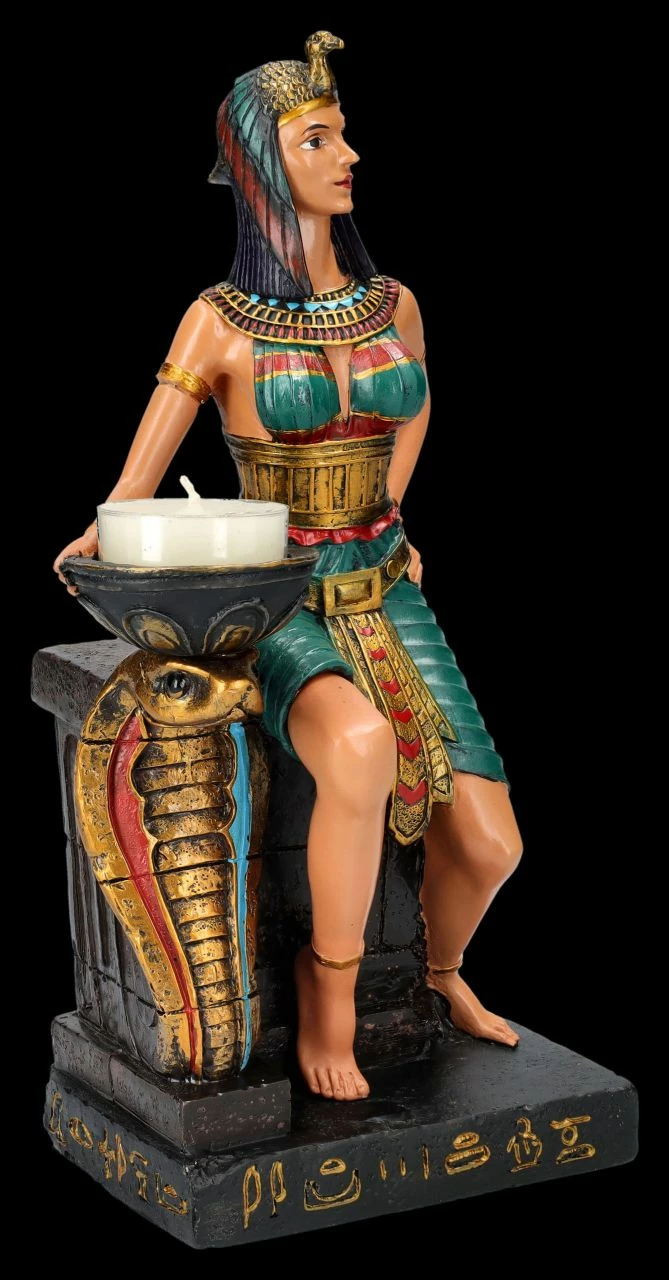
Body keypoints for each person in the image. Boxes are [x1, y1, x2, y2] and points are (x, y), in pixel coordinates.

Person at [54, 31, 523, 1103]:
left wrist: (392, 505)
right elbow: (143, 465)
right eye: (319, 138)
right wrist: (104, 527)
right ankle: (328, 996)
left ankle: (440, 972)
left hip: (383, 580)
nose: (348, 154)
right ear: (263, 163)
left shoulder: (391, 302)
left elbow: (418, 399)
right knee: (356, 747)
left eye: (343, 132)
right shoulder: (218, 322)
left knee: (492, 843)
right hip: (278, 594)